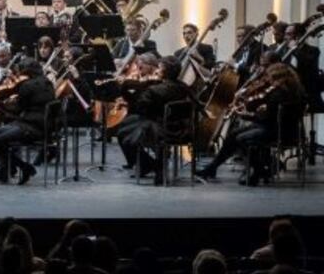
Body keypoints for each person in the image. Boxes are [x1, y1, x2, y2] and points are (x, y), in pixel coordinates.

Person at [195, 62, 306, 185]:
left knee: (241, 139)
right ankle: (212, 168)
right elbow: (271, 116)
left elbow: (267, 118)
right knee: (234, 134)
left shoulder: (278, 94)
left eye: (271, 79)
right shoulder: (295, 90)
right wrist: (257, 113)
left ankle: (259, 170)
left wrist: (247, 115)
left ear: (279, 79)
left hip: (278, 131)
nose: (269, 83)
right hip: (286, 129)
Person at [116, 56, 192, 184]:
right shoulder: (184, 87)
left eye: (159, 68)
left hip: (159, 130)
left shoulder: (153, 90)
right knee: (132, 124)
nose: (157, 70)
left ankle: (151, 165)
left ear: (164, 71)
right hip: (182, 129)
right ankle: (155, 165)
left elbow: (140, 108)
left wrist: (131, 90)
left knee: (123, 132)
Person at [0, 57, 55, 184]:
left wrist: (2, 104)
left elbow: (17, 111)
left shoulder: (27, 86)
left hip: (32, 128)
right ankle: (3, 172)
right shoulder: (47, 83)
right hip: (42, 126)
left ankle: (24, 167)